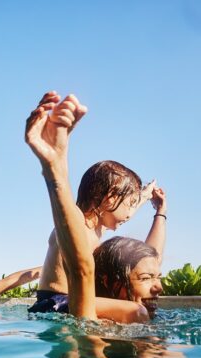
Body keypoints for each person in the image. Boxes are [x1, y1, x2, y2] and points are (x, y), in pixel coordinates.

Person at [28, 91, 167, 323]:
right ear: (111, 199)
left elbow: (140, 248)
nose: (131, 213)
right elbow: (67, 214)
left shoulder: (97, 229)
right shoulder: (78, 223)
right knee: (135, 312)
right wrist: (56, 163)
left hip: (69, 301)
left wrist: (149, 201)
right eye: (129, 204)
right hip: (54, 302)